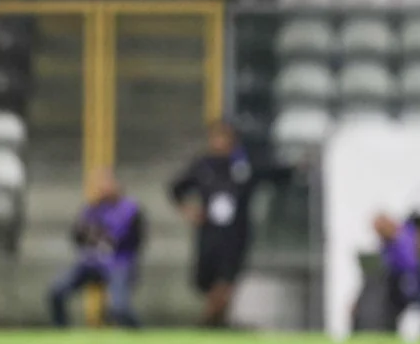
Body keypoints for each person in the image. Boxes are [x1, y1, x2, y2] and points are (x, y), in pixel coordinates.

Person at [169, 120, 291, 328]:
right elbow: (177, 189)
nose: (220, 142)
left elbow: (275, 174)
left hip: (236, 234)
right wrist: (189, 211)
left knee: (226, 281)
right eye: (217, 137)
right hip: (209, 233)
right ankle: (218, 322)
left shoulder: (244, 165)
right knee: (205, 281)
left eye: (225, 138)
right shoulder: (203, 165)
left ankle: (208, 320)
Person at [48, 168, 143, 328]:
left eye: (106, 183)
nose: (103, 188)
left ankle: (138, 334)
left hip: (119, 263)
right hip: (91, 262)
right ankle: (60, 331)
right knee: (57, 291)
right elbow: (77, 236)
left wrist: (105, 238)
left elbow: (135, 239)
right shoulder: (91, 210)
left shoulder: (130, 209)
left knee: (119, 307)